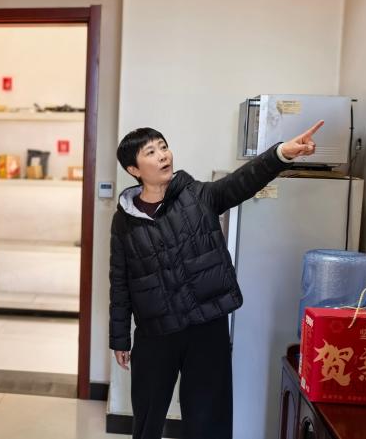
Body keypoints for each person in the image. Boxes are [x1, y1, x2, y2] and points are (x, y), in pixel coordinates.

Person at [109, 121, 323, 439]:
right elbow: (120, 280)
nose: (163, 155)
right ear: (133, 169)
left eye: (164, 147)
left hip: (206, 326)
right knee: (147, 415)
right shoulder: (125, 220)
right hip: (155, 331)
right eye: (150, 152)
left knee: (209, 416)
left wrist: (281, 154)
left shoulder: (198, 195)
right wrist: (119, 338)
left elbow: (243, 181)